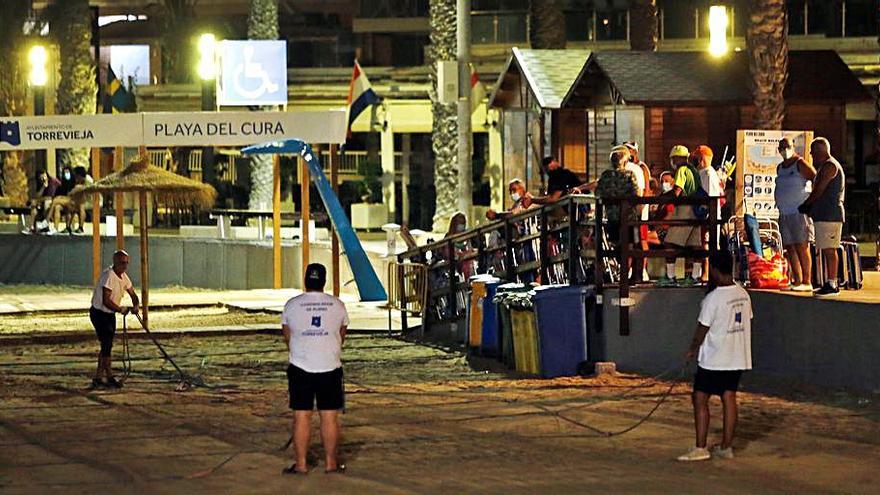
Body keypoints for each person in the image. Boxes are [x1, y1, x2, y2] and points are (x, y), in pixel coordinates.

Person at [678, 249, 752, 462]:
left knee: (700, 398)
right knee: (729, 397)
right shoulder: (743, 294)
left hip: (715, 358)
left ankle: (701, 447)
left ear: (716, 270)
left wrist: (692, 349)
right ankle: (726, 446)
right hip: (737, 356)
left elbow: (703, 327)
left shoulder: (713, 299)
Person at [281, 263, 349, 475]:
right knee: (329, 416)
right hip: (329, 366)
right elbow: (342, 334)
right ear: (324, 281)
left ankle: (301, 464)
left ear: (305, 280)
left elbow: (287, 336)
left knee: (302, 415)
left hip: (301, 367)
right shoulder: (337, 305)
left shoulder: (291, 306)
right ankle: (331, 464)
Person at [799, 137, 846, 297]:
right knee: (826, 248)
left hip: (830, 215)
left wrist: (807, 204)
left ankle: (833, 283)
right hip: (824, 215)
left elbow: (819, 189)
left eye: (813, 152)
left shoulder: (830, 166)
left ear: (820, 151)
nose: (811, 155)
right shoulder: (825, 166)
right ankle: (829, 281)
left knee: (829, 249)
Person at [89, 250, 139, 389]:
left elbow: (133, 294)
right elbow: (106, 300)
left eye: (127, 263)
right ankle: (109, 375)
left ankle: (99, 377)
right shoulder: (109, 276)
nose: (125, 266)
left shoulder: (123, 276)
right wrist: (121, 309)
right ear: (115, 262)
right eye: (123, 263)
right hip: (99, 314)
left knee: (107, 345)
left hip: (109, 314)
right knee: (106, 345)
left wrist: (136, 305)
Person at [775, 137, 816, 292]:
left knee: (802, 245)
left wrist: (810, 201)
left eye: (787, 147)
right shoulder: (780, 167)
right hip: (784, 212)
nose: (785, 150)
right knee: (790, 246)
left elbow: (815, 177)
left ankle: (807, 280)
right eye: (782, 148)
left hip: (799, 212)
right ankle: (797, 280)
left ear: (793, 147)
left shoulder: (800, 163)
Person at [658, 145, 702, 287]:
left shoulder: (682, 170)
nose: (672, 161)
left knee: (670, 242)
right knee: (694, 245)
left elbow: (677, 191)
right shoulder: (694, 170)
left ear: (677, 158)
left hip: (685, 209)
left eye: (673, 158)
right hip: (696, 211)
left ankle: (670, 277)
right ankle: (695, 276)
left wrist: (663, 199)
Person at [596, 145, 638, 246]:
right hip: (628, 216)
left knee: (615, 244)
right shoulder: (630, 175)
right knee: (629, 245)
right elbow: (635, 194)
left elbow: (598, 193)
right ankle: (626, 262)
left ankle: (619, 261)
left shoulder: (605, 175)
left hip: (611, 215)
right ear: (625, 161)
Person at [695, 146, 724, 282]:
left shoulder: (708, 173)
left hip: (708, 214)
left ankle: (708, 272)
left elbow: (711, 196)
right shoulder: (703, 173)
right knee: (704, 243)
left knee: (708, 243)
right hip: (703, 213)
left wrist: (706, 212)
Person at [623, 142, 651, 283]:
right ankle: (631, 270)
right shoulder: (628, 167)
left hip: (640, 208)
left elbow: (645, 188)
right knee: (633, 241)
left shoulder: (641, 167)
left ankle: (642, 269)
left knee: (641, 239)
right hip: (633, 209)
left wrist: (642, 205)